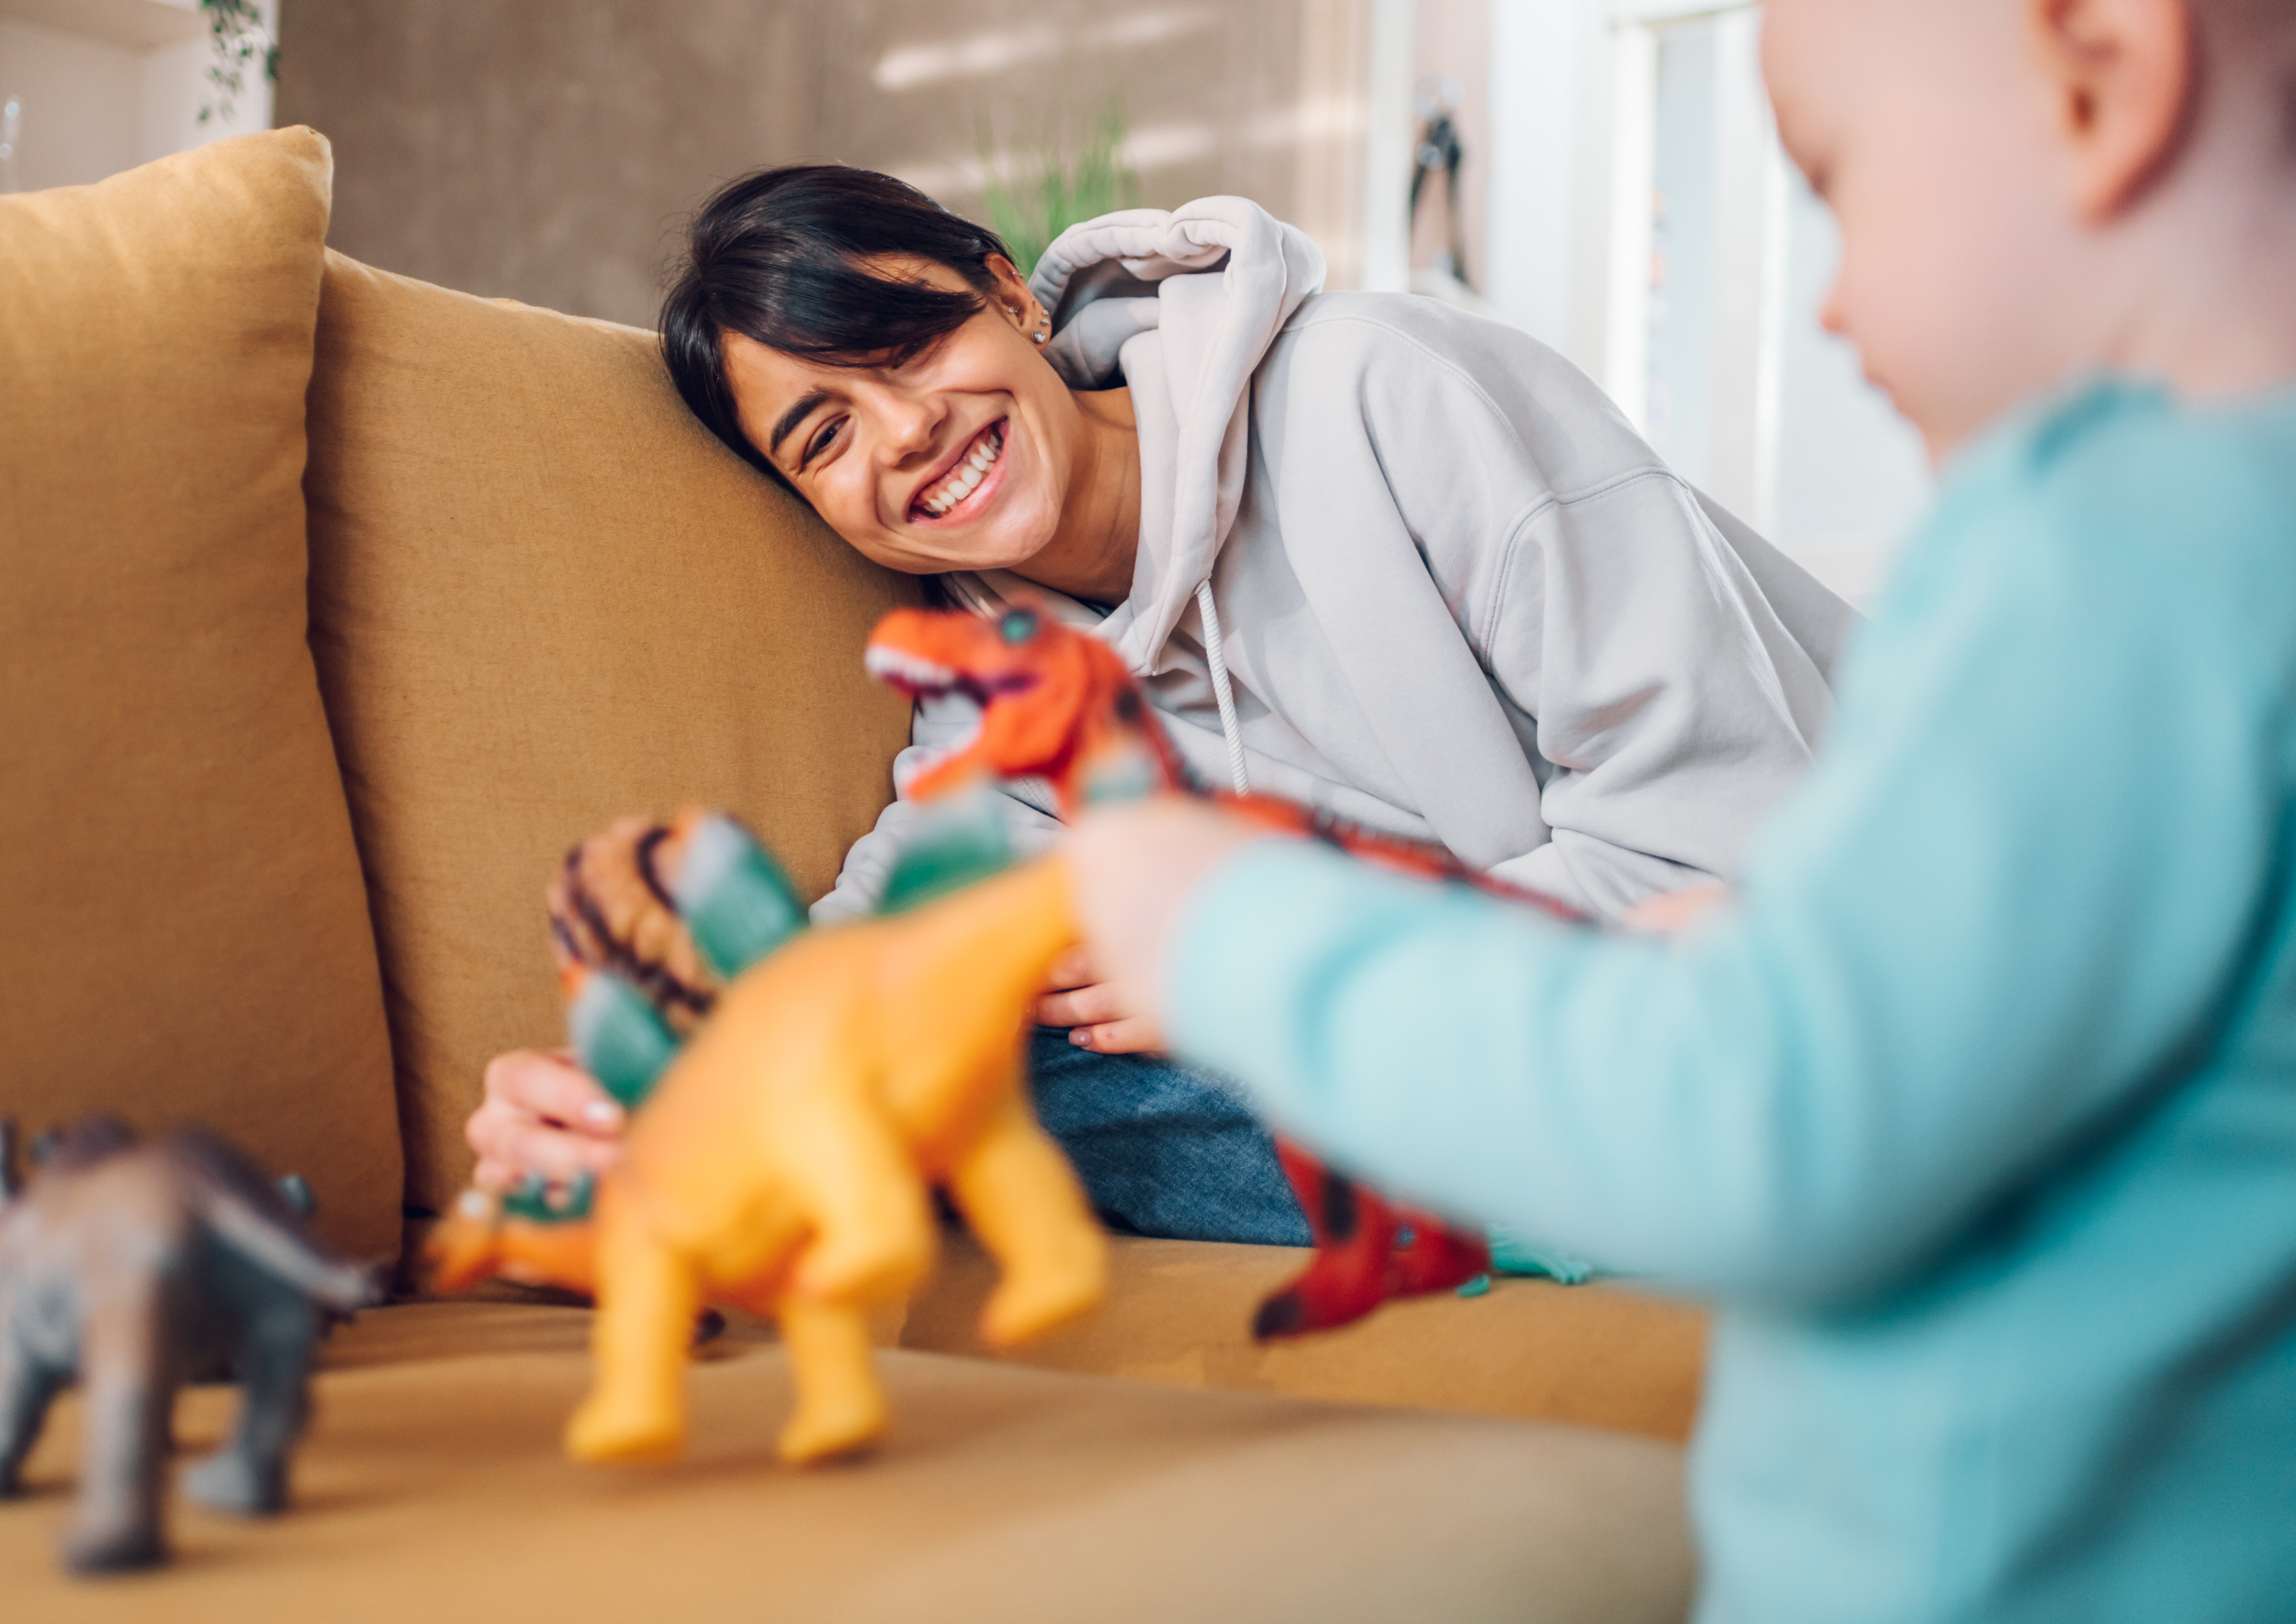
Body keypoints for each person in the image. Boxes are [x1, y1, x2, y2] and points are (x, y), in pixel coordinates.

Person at [1064, 0, 2296, 1616]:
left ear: (2100, 72)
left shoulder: (2096, 550)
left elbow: (1771, 1135)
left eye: (1839, 180)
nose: (1829, 302)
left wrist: (1244, 928)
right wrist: (1788, 930)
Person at [471, 149, 1851, 1244]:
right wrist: (619, 1102)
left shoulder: (1386, 389)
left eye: (908, 348)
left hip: (1856, 971)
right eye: (825, 437)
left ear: (1009, 295)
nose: (907, 434)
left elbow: (1734, 855)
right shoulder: (1002, 706)